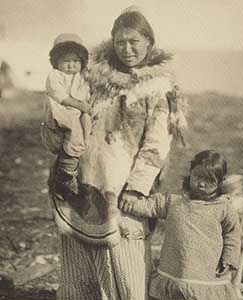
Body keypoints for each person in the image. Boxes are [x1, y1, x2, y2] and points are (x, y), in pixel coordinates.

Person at [50, 7, 187, 300]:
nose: (127, 49)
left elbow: (157, 144)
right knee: (79, 264)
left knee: (127, 269)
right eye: (120, 41)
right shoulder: (94, 77)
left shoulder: (158, 86)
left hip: (124, 190)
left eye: (134, 42)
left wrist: (137, 189)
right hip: (82, 182)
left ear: (149, 42)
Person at [119, 150, 241, 300]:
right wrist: (129, 204)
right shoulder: (175, 201)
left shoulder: (223, 208)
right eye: (197, 177)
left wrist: (229, 259)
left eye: (209, 180)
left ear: (220, 182)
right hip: (173, 271)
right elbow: (151, 206)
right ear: (190, 173)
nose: (201, 184)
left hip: (205, 276)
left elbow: (233, 234)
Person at [41, 33, 92, 198]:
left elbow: (89, 92)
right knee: (73, 131)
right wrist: (79, 105)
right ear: (56, 62)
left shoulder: (83, 76)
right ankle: (66, 173)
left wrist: (86, 107)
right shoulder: (54, 76)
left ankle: (81, 159)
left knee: (88, 127)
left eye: (76, 61)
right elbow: (59, 96)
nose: (71, 66)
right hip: (60, 112)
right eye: (66, 61)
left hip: (78, 112)